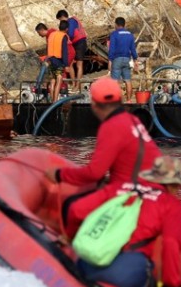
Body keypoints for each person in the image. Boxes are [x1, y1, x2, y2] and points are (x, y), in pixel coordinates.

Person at [47, 77, 161, 239]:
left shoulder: (110, 127)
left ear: (94, 104)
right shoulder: (133, 120)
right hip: (151, 191)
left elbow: (95, 173)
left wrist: (59, 175)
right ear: (120, 100)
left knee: (74, 209)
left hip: (132, 193)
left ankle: (69, 247)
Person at [75, 156, 181, 287]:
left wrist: (68, 238)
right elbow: (171, 244)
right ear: (174, 185)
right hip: (125, 272)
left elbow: (76, 210)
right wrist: (173, 286)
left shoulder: (119, 187)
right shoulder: (170, 204)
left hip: (86, 265)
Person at [36, 21, 71, 102]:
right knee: (59, 79)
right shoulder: (63, 36)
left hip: (50, 60)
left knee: (52, 80)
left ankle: (52, 99)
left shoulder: (52, 34)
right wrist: (66, 65)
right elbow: (64, 51)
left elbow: (48, 48)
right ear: (67, 29)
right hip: (58, 60)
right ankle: (55, 101)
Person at [106, 17, 138, 101]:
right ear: (124, 24)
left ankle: (116, 101)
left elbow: (111, 49)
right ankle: (129, 100)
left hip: (117, 59)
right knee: (128, 80)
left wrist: (110, 61)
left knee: (115, 82)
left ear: (116, 25)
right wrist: (135, 60)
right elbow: (133, 49)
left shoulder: (114, 34)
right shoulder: (130, 35)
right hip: (127, 60)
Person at [57, 9, 88, 87]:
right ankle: (74, 83)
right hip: (76, 43)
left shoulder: (71, 21)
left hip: (80, 43)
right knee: (71, 64)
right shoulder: (71, 21)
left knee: (79, 64)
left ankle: (78, 85)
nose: (60, 21)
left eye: (60, 19)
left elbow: (70, 34)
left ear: (63, 17)